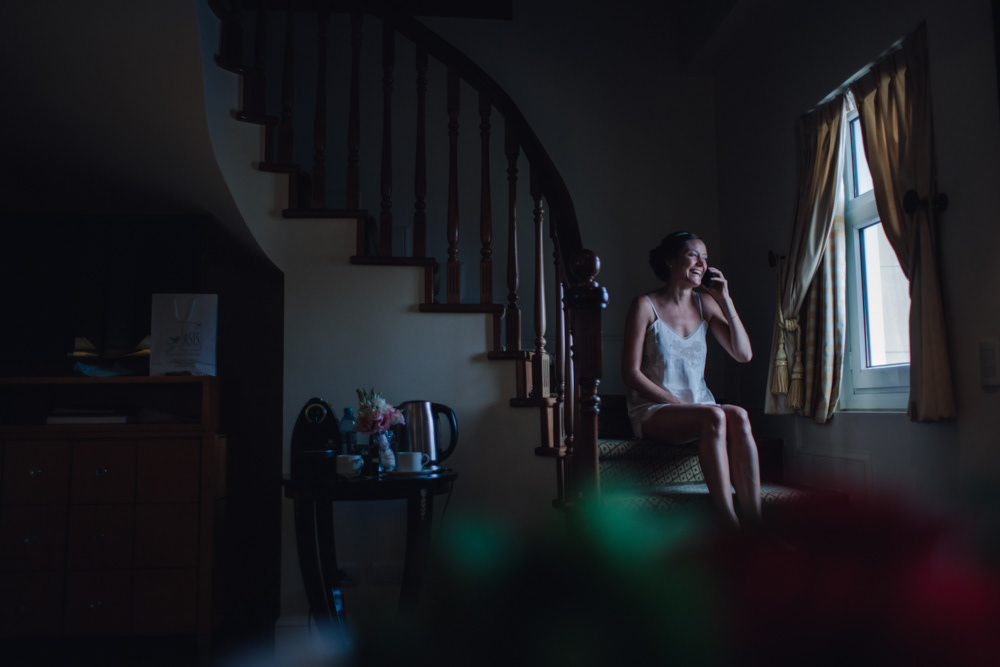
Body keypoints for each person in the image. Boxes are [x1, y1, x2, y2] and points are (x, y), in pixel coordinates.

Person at [622, 231, 761, 528]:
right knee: (713, 415)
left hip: (701, 408)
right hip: (655, 410)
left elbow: (743, 354)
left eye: (705, 258)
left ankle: (755, 523)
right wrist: (678, 404)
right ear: (670, 260)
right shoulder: (644, 305)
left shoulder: (705, 304)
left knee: (738, 415)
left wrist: (725, 300)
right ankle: (729, 523)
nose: (702, 263)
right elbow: (630, 373)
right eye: (693, 255)